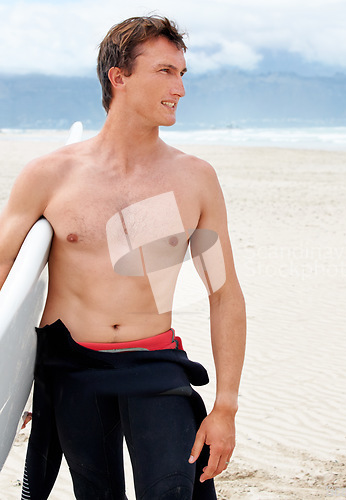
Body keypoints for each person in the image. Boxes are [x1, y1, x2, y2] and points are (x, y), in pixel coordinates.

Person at [0, 15, 246, 500]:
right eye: (164, 72)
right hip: (70, 371)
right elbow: (4, 275)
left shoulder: (193, 179)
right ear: (119, 77)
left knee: (174, 490)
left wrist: (225, 409)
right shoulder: (50, 175)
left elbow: (224, 294)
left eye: (181, 74)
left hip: (153, 363)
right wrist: (10, 377)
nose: (179, 87)